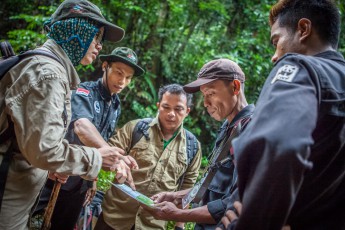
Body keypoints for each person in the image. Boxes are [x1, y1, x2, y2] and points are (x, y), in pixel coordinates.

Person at [0, 0, 136, 229]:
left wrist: (50, 168)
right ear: (77, 30)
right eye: (96, 37)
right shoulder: (49, 76)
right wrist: (97, 158)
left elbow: (29, 142)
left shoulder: (51, 69)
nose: (99, 46)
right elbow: (44, 150)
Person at [218, 0, 345, 229]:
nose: (274, 56)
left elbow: (279, 145)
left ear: (303, 30)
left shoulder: (300, 68)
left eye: (277, 41)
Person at [35, 47, 145, 230]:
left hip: (80, 182)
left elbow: (100, 140)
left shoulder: (115, 105)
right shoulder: (84, 92)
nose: (122, 81)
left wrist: (92, 180)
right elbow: (81, 127)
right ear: (105, 66)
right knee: (37, 222)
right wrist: (115, 157)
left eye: (128, 77)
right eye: (118, 73)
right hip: (57, 173)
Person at [143, 59, 255, 230]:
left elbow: (236, 202)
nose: (205, 103)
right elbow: (212, 186)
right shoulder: (228, 127)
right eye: (204, 96)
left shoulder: (251, 132)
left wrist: (178, 215)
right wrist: (175, 196)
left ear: (235, 87)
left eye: (210, 94)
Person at [94, 84, 202, 230]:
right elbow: (107, 154)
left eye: (178, 109)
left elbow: (188, 187)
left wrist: (180, 226)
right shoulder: (136, 128)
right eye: (166, 107)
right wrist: (118, 163)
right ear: (158, 106)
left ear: (187, 111)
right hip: (115, 217)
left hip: (153, 224)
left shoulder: (192, 146)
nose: (171, 113)